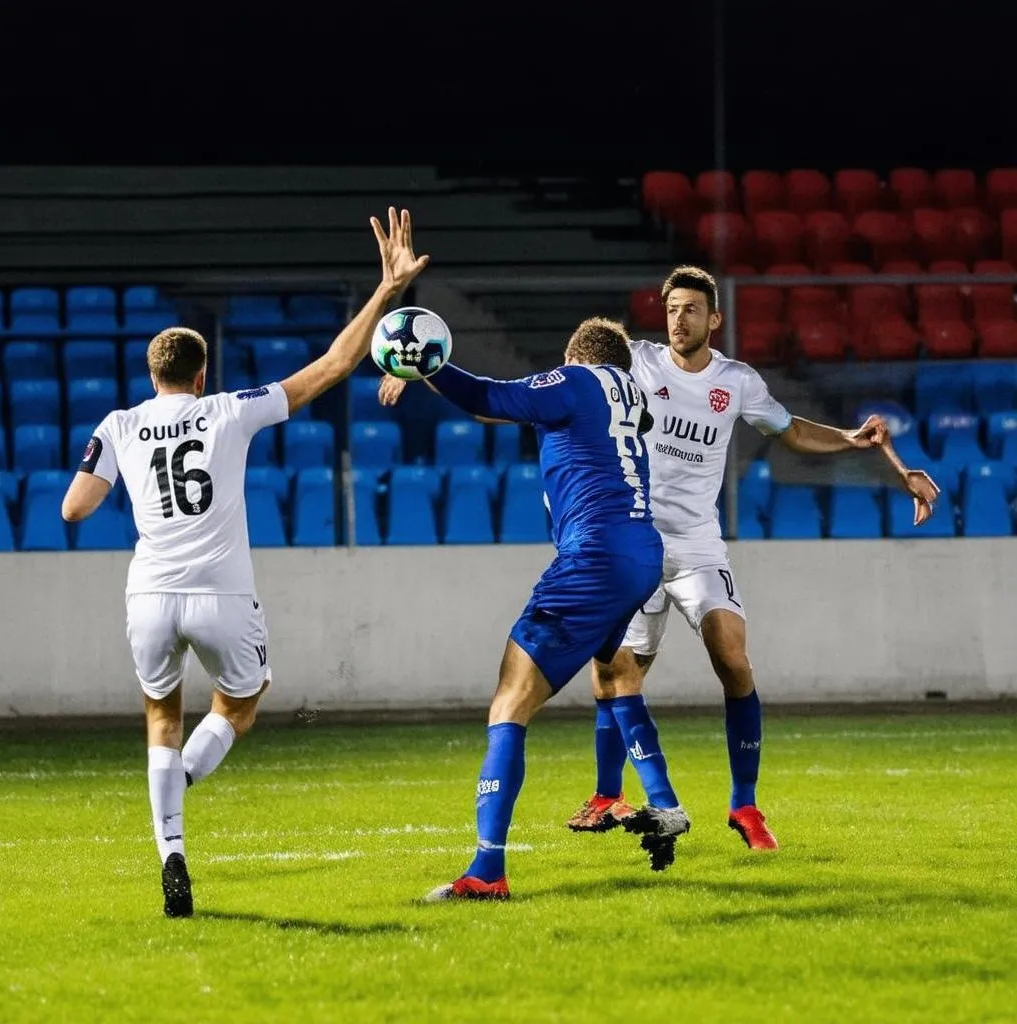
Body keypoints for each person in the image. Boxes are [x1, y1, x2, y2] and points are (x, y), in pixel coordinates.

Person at [60, 208, 429, 917]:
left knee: (159, 719)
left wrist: (120, 480)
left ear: (152, 374)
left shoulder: (119, 425)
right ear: (201, 375)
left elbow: (73, 509)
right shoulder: (230, 409)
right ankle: (184, 779)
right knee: (241, 702)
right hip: (222, 598)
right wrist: (386, 292)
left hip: (149, 596)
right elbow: (333, 366)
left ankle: (171, 849)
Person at [563, 265, 940, 850]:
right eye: (671, 309)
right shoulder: (636, 360)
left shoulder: (736, 382)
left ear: (715, 319)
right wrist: (430, 374)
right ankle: (607, 794)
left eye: (691, 309)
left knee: (733, 659)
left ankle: (745, 805)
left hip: (696, 546)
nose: (678, 319)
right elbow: (565, 379)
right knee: (616, 674)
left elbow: (789, 431)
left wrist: (854, 441)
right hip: (635, 539)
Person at [390, 317, 689, 900]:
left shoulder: (574, 381)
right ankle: (666, 803)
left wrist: (424, 361)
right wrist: (424, 373)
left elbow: (487, 396)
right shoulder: (630, 396)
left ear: (575, 355)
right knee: (615, 672)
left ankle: (486, 872)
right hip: (640, 553)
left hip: (592, 557)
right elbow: (495, 411)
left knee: (511, 699)